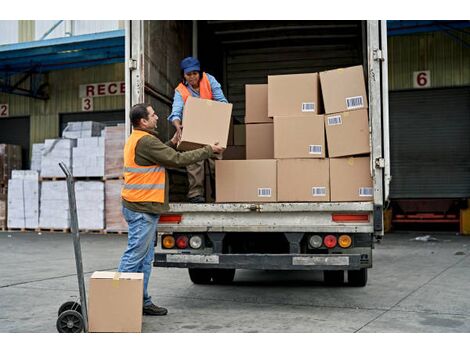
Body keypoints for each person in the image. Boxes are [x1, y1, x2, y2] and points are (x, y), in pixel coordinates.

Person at [118, 103, 224, 316]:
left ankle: (142, 301)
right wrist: (208, 151)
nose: (157, 117)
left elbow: (157, 157)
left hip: (141, 206)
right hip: (141, 208)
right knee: (134, 257)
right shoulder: (146, 141)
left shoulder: (139, 139)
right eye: (153, 114)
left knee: (145, 259)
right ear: (143, 121)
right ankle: (119, 306)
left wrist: (172, 143)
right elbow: (176, 160)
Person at [168, 56, 229, 203]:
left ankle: (219, 193)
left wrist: (209, 111)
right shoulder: (180, 90)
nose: (192, 77)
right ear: (184, 74)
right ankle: (196, 195)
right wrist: (177, 125)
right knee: (194, 162)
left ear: (200, 72)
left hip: (212, 126)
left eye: (195, 73)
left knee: (215, 161)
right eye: (189, 74)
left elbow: (222, 102)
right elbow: (176, 112)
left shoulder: (209, 80)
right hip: (192, 129)